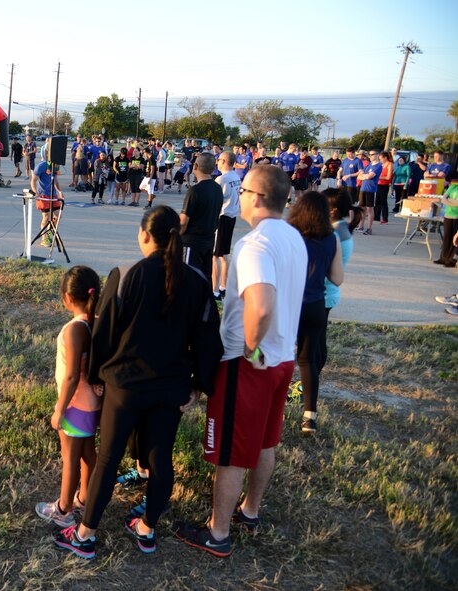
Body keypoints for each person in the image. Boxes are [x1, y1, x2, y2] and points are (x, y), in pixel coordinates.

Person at [54, 205, 222, 559]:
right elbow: (208, 337)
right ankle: (147, 528)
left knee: (109, 459)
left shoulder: (127, 273)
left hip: (125, 387)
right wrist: (198, 384)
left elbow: (104, 331)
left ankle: (86, 535)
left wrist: (98, 375)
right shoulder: (198, 280)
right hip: (170, 388)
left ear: (145, 236)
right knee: (162, 461)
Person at [174, 165, 307, 558]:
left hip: (249, 363)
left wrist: (250, 346)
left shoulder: (255, 244)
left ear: (257, 197)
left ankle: (217, 533)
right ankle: (250, 510)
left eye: (244, 189)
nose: (240, 195)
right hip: (282, 359)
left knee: (230, 451)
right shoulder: (294, 238)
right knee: (266, 439)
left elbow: (261, 305)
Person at [35, 266, 102, 529]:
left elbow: (72, 376)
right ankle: (85, 497)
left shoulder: (75, 330)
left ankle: (64, 509)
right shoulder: (95, 322)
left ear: (67, 298)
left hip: (75, 406)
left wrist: (59, 410)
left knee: (70, 458)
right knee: (88, 453)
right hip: (91, 406)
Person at [289, 191, 344, 433]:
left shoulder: (291, 236)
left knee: (275, 353)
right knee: (307, 360)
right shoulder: (332, 238)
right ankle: (309, 417)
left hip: (289, 303)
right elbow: (337, 278)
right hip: (315, 305)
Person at [317, 188, 362, 379]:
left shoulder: (334, 234)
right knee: (317, 340)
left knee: (315, 344)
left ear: (332, 210)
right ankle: (310, 378)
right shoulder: (341, 229)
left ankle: (309, 382)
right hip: (327, 293)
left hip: (323, 293)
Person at [180, 153, 223, 281]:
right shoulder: (217, 188)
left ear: (196, 166)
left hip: (192, 242)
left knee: (188, 278)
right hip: (209, 240)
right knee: (205, 278)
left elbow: (183, 221)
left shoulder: (195, 190)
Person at [213, 152, 241, 300]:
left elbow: (217, 200)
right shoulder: (236, 176)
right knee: (224, 254)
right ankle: (224, 286)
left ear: (224, 161)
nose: (217, 162)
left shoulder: (222, 179)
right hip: (232, 216)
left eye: (219, 159)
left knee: (215, 256)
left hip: (223, 217)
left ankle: (215, 290)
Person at [30, 153, 63, 248]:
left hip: (53, 195)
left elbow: (56, 180)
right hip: (43, 195)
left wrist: (59, 191)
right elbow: (33, 180)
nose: (57, 165)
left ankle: (49, 233)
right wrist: (35, 192)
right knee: (46, 217)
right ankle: (44, 239)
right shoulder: (42, 166)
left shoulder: (56, 166)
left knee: (58, 216)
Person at [435, 170, 458, 268]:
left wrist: (449, 201)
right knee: (446, 238)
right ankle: (443, 258)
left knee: (454, 239)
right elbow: (443, 199)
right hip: (448, 215)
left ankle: (451, 259)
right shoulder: (452, 187)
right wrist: (451, 201)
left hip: (456, 216)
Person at [356, 149, 382, 234]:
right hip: (363, 188)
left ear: (378, 155)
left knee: (369, 209)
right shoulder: (369, 165)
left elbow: (368, 177)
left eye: (372, 154)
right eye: (370, 154)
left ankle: (369, 229)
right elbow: (359, 176)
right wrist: (365, 176)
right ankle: (360, 226)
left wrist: (365, 176)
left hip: (371, 190)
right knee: (362, 208)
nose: (370, 156)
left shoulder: (378, 166)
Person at [375, 151, 393, 224]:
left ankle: (385, 218)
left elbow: (388, 177)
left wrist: (379, 177)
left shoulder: (390, 164)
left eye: (381, 158)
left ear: (385, 158)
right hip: (378, 184)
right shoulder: (380, 164)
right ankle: (376, 217)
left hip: (384, 185)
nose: (380, 160)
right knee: (377, 201)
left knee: (383, 202)